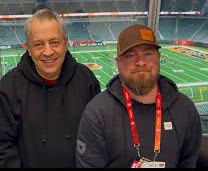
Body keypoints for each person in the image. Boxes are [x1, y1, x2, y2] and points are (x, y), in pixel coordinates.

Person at [76, 24, 202, 168]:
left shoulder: (185, 109)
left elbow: (188, 163)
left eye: (147, 53)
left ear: (158, 57)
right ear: (118, 63)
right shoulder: (97, 113)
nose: (140, 62)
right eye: (130, 55)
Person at [0, 9, 101, 168]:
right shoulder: (9, 87)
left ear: (65, 43)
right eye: (38, 44)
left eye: (54, 42)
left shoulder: (86, 79)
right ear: (28, 47)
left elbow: (96, 136)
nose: (48, 52)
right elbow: (1, 146)